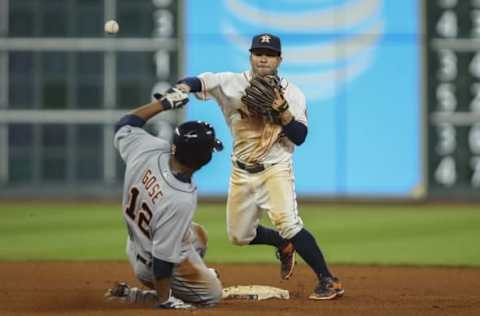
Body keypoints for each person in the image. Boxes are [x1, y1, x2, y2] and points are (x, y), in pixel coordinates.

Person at [171, 33, 344, 300]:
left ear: (279, 59)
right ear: (251, 56)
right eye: (258, 53)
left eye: (270, 54)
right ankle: (281, 242)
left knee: (289, 223)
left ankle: (328, 280)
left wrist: (284, 113)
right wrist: (184, 87)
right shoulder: (231, 83)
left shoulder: (293, 94)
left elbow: (300, 136)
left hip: (276, 167)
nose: (263, 58)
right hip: (241, 171)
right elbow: (200, 81)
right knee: (239, 236)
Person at [105, 90, 224, 309]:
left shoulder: (150, 148)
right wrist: (164, 300)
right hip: (152, 263)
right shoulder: (180, 198)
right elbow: (162, 261)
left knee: (198, 235)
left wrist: (163, 104)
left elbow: (124, 124)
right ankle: (139, 295)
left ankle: (188, 281)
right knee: (213, 295)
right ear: (203, 159)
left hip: (135, 244)